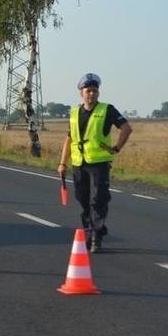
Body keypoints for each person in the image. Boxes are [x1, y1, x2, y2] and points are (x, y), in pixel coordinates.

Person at [57, 73, 132, 253]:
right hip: (78, 163)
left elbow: (127, 129)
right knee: (83, 200)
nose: (92, 94)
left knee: (97, 200)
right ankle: (91, 230)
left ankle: (95, 237)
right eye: (88, 90)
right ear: (81, 92)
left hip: (99, 163)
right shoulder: (74, 112)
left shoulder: (107, 109)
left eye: (95, 91)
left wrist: (116, 148)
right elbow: (70, 138)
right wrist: (62, 163)